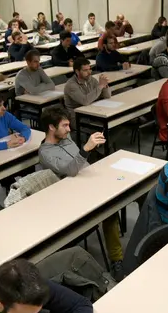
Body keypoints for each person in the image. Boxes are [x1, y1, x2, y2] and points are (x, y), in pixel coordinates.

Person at [38, 107, 125, 273]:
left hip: (90, 181)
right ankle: (116, 260)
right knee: (110, 209)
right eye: (64, 126)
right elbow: (70, 170)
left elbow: (82, 165)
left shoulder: (66, 138)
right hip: (73, 195)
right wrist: (86, 149)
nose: (69, 130)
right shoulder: (45, 153)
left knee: (131, 188)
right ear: (51, 127)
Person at [64, 57, 111, 125]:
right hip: (78, 117)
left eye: (89, 69)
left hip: (92, 112)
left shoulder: (91, 79)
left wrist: (105, 85)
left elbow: (107, 96)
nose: (89, 72)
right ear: (77, 71)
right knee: (103, 126)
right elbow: (85, 101)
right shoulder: (71, 85)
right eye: (85, 70)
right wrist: (100, 86)